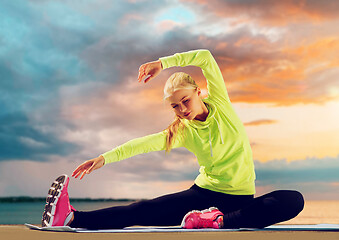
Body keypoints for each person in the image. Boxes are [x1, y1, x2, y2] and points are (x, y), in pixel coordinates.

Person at [41, 49, 304, 230]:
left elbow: (205, 57)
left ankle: (218, 221)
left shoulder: (221, 104)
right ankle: (71, 218)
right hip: (201, 196)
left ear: (198, 92)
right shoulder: (182, 131)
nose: (182, 109)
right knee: (142, 211)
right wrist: (104, 158)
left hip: (240, 201)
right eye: (175, 106)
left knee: (293, 199)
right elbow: (142, 144)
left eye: (185, 100)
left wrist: (162, 63)